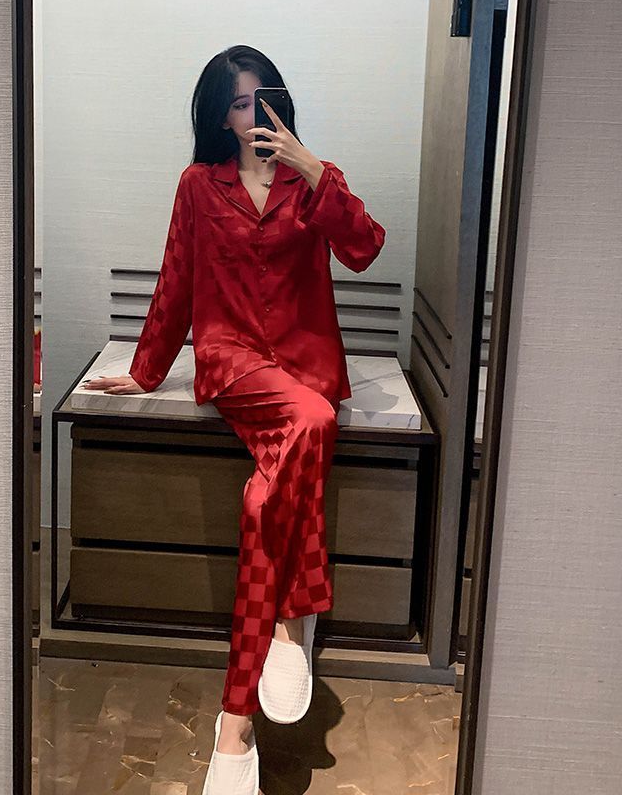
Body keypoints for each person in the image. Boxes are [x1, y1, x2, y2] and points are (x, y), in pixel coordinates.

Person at [84, 44, 385, 794]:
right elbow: (177, 279)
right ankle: (294, 612)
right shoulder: (198, 185)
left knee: (263, 497)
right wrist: (146, 370)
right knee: (311, 423)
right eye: (241, 103)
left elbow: (364, 249)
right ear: (220, 114)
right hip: (236, 360)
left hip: (307, 364)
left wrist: (313, 168)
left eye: (264, 99)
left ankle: (235, 722)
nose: (254, 115)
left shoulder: (312, 180)